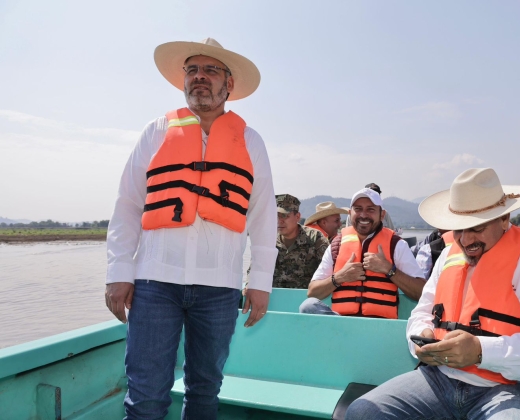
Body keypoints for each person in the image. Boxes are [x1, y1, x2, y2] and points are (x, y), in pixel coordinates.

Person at [104, 37, 277, 419]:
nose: (199, 77)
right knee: (145, 396)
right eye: (192, 70)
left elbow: (264, 216)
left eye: (211, 70)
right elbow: (128, 204)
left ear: (229, 84)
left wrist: (260, 281)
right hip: (153, 283)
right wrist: (119, 271)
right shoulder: (156, 130)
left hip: (219, 288)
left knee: (205, 392)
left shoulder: (251, 141)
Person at [346, 168, 520, 420]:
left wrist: (481, 351)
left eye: (477, 228)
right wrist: (421, 336)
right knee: (363, 412)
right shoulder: (450, 254)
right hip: (440, 379)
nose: (466, 239)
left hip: (511, 389)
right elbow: (423, 311)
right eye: (458, 229)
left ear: (504, 219)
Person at [300, 188, 425, 318]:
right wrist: (339, 277)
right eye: (358, 209)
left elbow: (421, 292)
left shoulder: (397, 245)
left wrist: (389, 269)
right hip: (341, 325)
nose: (363, 215)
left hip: (379, 326)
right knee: (308, 306)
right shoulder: (336, 244)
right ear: (350, 213)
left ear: (382, 214)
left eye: (370, 209)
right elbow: (312, 292)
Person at [272, 194, 329, 289]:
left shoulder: (315, 239)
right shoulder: (268, 239)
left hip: (305, 298)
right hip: (273, 298)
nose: (279, 220)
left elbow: (328, 272)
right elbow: (255, 268)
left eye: (284, 216)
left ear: (297, 217)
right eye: (275, 215)